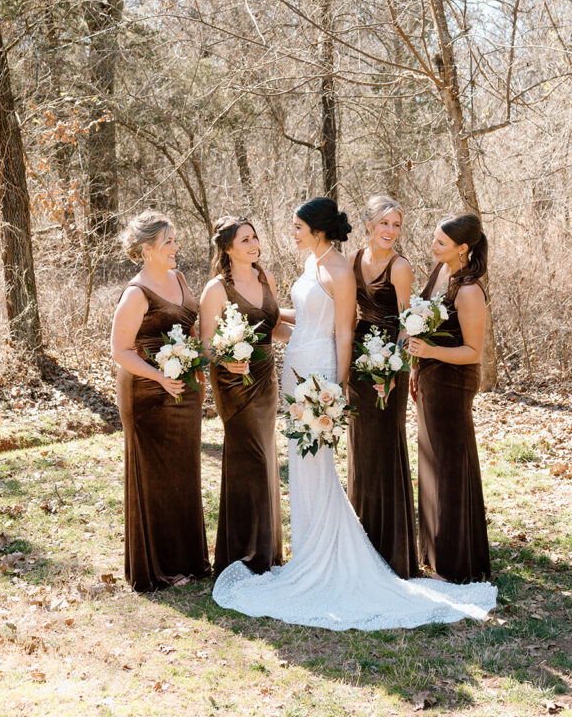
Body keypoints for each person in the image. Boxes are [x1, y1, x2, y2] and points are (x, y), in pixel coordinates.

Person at [212, 197, 496, 629]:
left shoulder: (341, 270)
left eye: (298, 228)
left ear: (318, 231)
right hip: (294, 366)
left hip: (321, 373)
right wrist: (253, 329)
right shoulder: (312, 264)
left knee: (316, 463)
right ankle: (309, 550)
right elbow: (303, 318)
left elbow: (345, 329)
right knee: (301, 463)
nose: (292, 234)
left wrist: (338, 384)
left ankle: (326, 555)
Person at [111, 211, 211, 591]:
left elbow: (194, 326)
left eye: (174, 240)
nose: (175, 247)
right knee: (155, 477)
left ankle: (188, 559)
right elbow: (120, 350)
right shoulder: (136, 293)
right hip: (148, 391)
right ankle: (159, 567)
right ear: (146, 248)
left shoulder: (179, 279)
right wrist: (159, 376)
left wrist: (200, 361)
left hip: (185, 388)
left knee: (183, 473)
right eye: (168, 241)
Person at [200, 216, 288, 577]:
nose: (254, 245)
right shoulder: (217, 290)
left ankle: (266, 551)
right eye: (245, 240)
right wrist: (225, 360)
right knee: (248, 460)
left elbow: (275, 325)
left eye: (254, 237)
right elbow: (206, 348)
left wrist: (314, 337)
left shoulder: (264, 277)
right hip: (235, 383)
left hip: (267, 379)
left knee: (266, 459)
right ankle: (244, 554)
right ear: (227, 248)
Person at [408, 212, 491, 584]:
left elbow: (473, 351)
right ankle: (434, 550)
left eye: (440, 242)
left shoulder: (470, 289)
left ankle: (457, 562)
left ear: (463, 248)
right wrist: (415, 367)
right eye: (434, 239)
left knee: (450, 468)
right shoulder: (440, 272)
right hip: (429, 378)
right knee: (433, 465)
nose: (433, 246)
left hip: (454, 383)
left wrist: (429, 354)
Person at [347, 195, 418, 578]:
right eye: (384, 223)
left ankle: (392, 548)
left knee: (386, 444)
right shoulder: (354, 261)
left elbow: (408, 324)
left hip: (390, 361)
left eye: (396, 225)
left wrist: (393, 370)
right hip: (361, 361)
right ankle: (362, 540)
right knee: (361, 446)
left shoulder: (400, 266)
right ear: (369, 224)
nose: (390, 231)